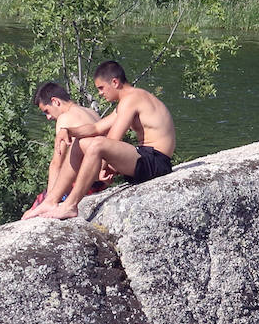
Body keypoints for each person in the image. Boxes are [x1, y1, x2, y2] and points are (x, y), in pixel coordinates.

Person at [40, 61, 176, 220]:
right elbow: (96, 128)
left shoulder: (133, 99)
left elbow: (112, 138)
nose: (100, 93)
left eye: (101, 88)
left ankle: (70, 205)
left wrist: (101, 169)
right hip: (145, 158)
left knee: (98, 144)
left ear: (115, 82)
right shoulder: (127, 101)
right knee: (80, 143)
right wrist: (68, 131)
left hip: (156, 161)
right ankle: (51, 200)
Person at [21, 82, 109, 219]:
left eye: (46, 111)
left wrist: (49, 200)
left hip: (84, 184)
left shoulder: (65, 118)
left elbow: (57, 163)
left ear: (55, 101)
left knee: (30, 214)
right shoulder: (91, 112)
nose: (48, 117)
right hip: (100, 183)